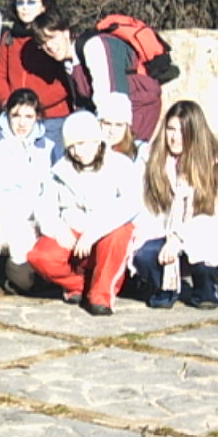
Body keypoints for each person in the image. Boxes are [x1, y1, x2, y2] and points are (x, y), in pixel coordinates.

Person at [29, 111, 140, 316]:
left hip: (105, 234)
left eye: (83, 143)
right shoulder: (59, 171)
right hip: (73, 234)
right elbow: (44, 208)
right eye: (72, 146)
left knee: (120, 234)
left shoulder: (120, 165)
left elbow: (130, 203)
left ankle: (101, 295)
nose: (78, 151)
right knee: (40, 256)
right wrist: (58, 229)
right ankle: (78, 285)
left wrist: (94, 232)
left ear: (97, 141)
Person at [131, 100, 218, 309]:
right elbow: (146, 209)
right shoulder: (152, 161)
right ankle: (165, 285)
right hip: (163, 233)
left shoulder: (214, 164)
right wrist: (162, 239)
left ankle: (206, 284)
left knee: (206, 251)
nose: (175, 137)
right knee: (144, 256)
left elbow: (217, 217)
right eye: (171, 129)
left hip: (200, 234)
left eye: (183, 131)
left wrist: (179, 238)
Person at [0, 88, 58, 293]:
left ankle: (12, 277)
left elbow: (48, 191)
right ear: (7, 113)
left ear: (37, 117)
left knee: (25, 280)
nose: (22, 123)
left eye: (29, 116)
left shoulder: (47, 148)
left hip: (27, 219)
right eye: (16, 115)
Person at [33, 9, 163, 142]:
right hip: (117, 115)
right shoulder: (69, 62)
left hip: (136, 110)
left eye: (52, 37)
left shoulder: (94, 47)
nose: (49, 46)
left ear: (66, 32)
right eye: (43, 43)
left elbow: (110, 98)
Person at [0, 0, 72, 152]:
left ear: (44, 5)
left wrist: (33, 106)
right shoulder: (9, 38)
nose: (25, 8)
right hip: (16, 118)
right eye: (20, 2)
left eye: (31, 2)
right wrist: (11, 104)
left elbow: (65, 83)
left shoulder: (53, 37)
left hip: (53, 118)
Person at [97, 91, 146, 165]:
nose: (112, 131)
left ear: (126, 127)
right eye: (107, 124)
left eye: (118, 125)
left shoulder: (140, 154)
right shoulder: (86, 153)